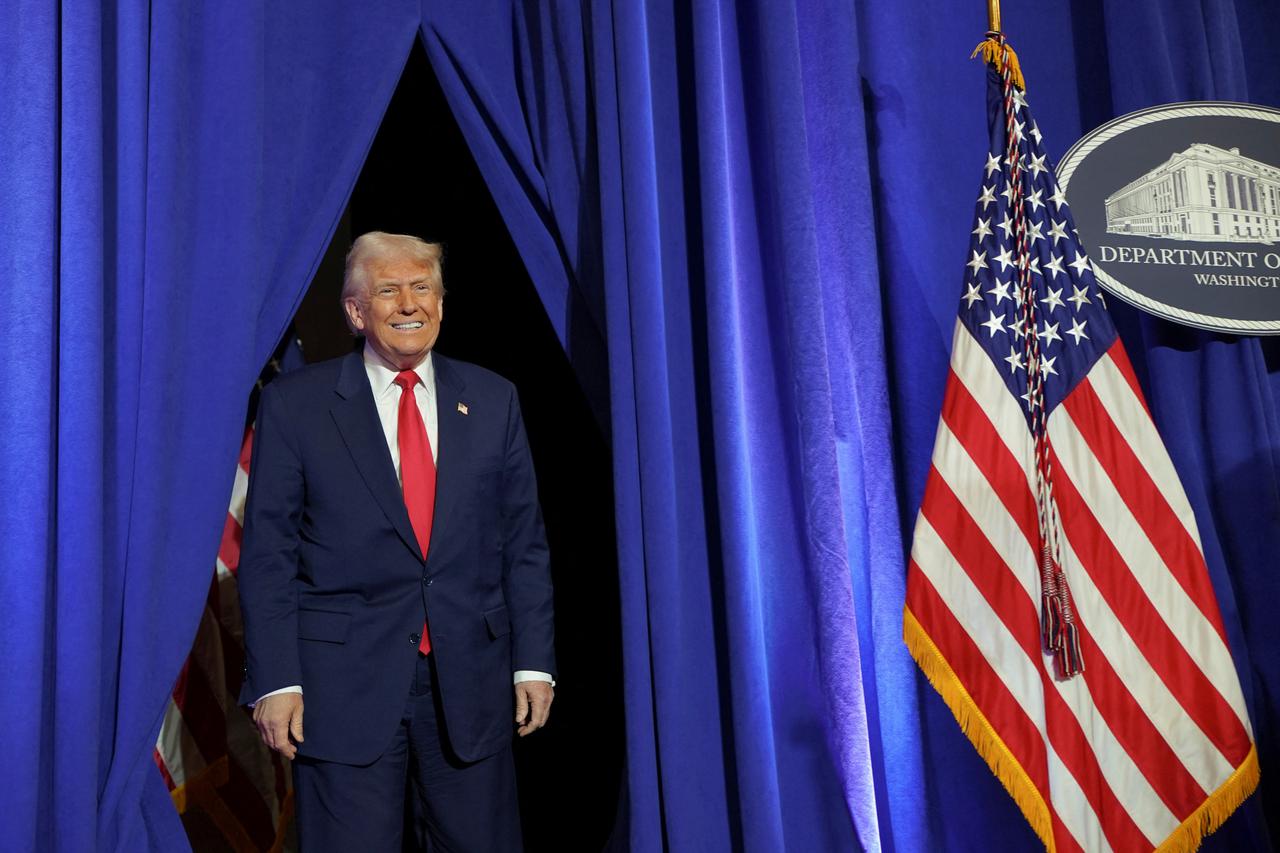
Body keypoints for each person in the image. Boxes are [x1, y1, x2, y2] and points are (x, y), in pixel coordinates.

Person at [237, 232, 555, 852]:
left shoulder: (493, 400)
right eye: (389, 290)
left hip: (471, 683)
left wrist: (533, 662)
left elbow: (524, 545)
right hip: (340, 688)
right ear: (356, 312)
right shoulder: (295, 406)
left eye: (422, 287)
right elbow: (269, 555)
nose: (410, 304)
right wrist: (275, 680)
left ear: (441, 302)